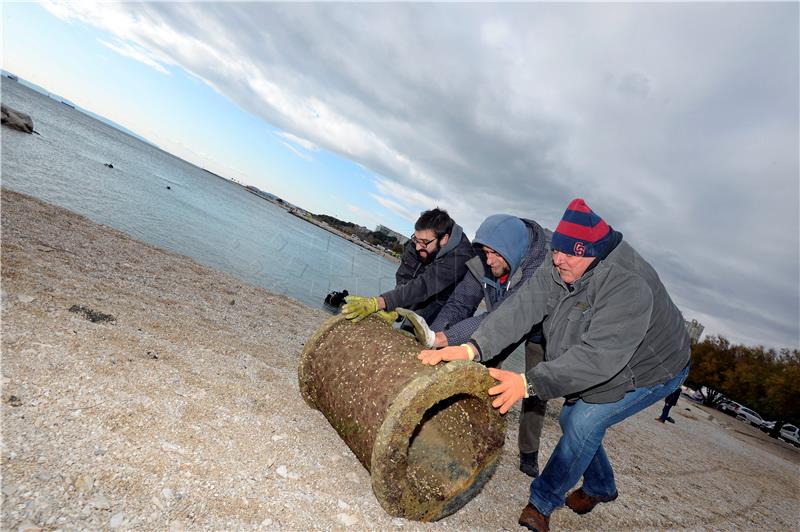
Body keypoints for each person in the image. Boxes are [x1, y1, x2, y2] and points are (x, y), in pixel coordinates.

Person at [418, 198, 691, 532]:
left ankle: (542, 502)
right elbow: (522, 308)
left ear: (595, 252)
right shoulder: (561, 259)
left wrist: (527, 383)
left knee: (583, 421)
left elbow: (598, 357)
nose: (557, 259)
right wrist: (472, 347)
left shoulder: (629, 286)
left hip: (653, 366)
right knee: (569, 416)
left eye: (568, 254)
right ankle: (600, 487)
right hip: (608, 352)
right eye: (556, 250)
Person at [404, 214, 549, 477]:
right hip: (502, 319)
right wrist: (432, 335)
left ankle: (529, 451)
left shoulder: (540, 268)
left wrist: (442, 340)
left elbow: (503, 315)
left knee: (535, 386)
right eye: (485, 252)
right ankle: (465, 427)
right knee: (485, 367)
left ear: (513, 250)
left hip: (544, 328)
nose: (488, 259)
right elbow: (460, 304)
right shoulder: (487, 255)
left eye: (495, 254)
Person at [341, 208, 474, 325]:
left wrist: (379, 302)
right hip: (427, 285)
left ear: (444, 239)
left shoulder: (461, 256)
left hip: (452, 299)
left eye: (423, 242)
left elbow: (425, 286)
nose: (417, 246)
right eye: (416, 239)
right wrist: (395, 308)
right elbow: (406, 276)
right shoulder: (419, 241)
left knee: (419, 331)